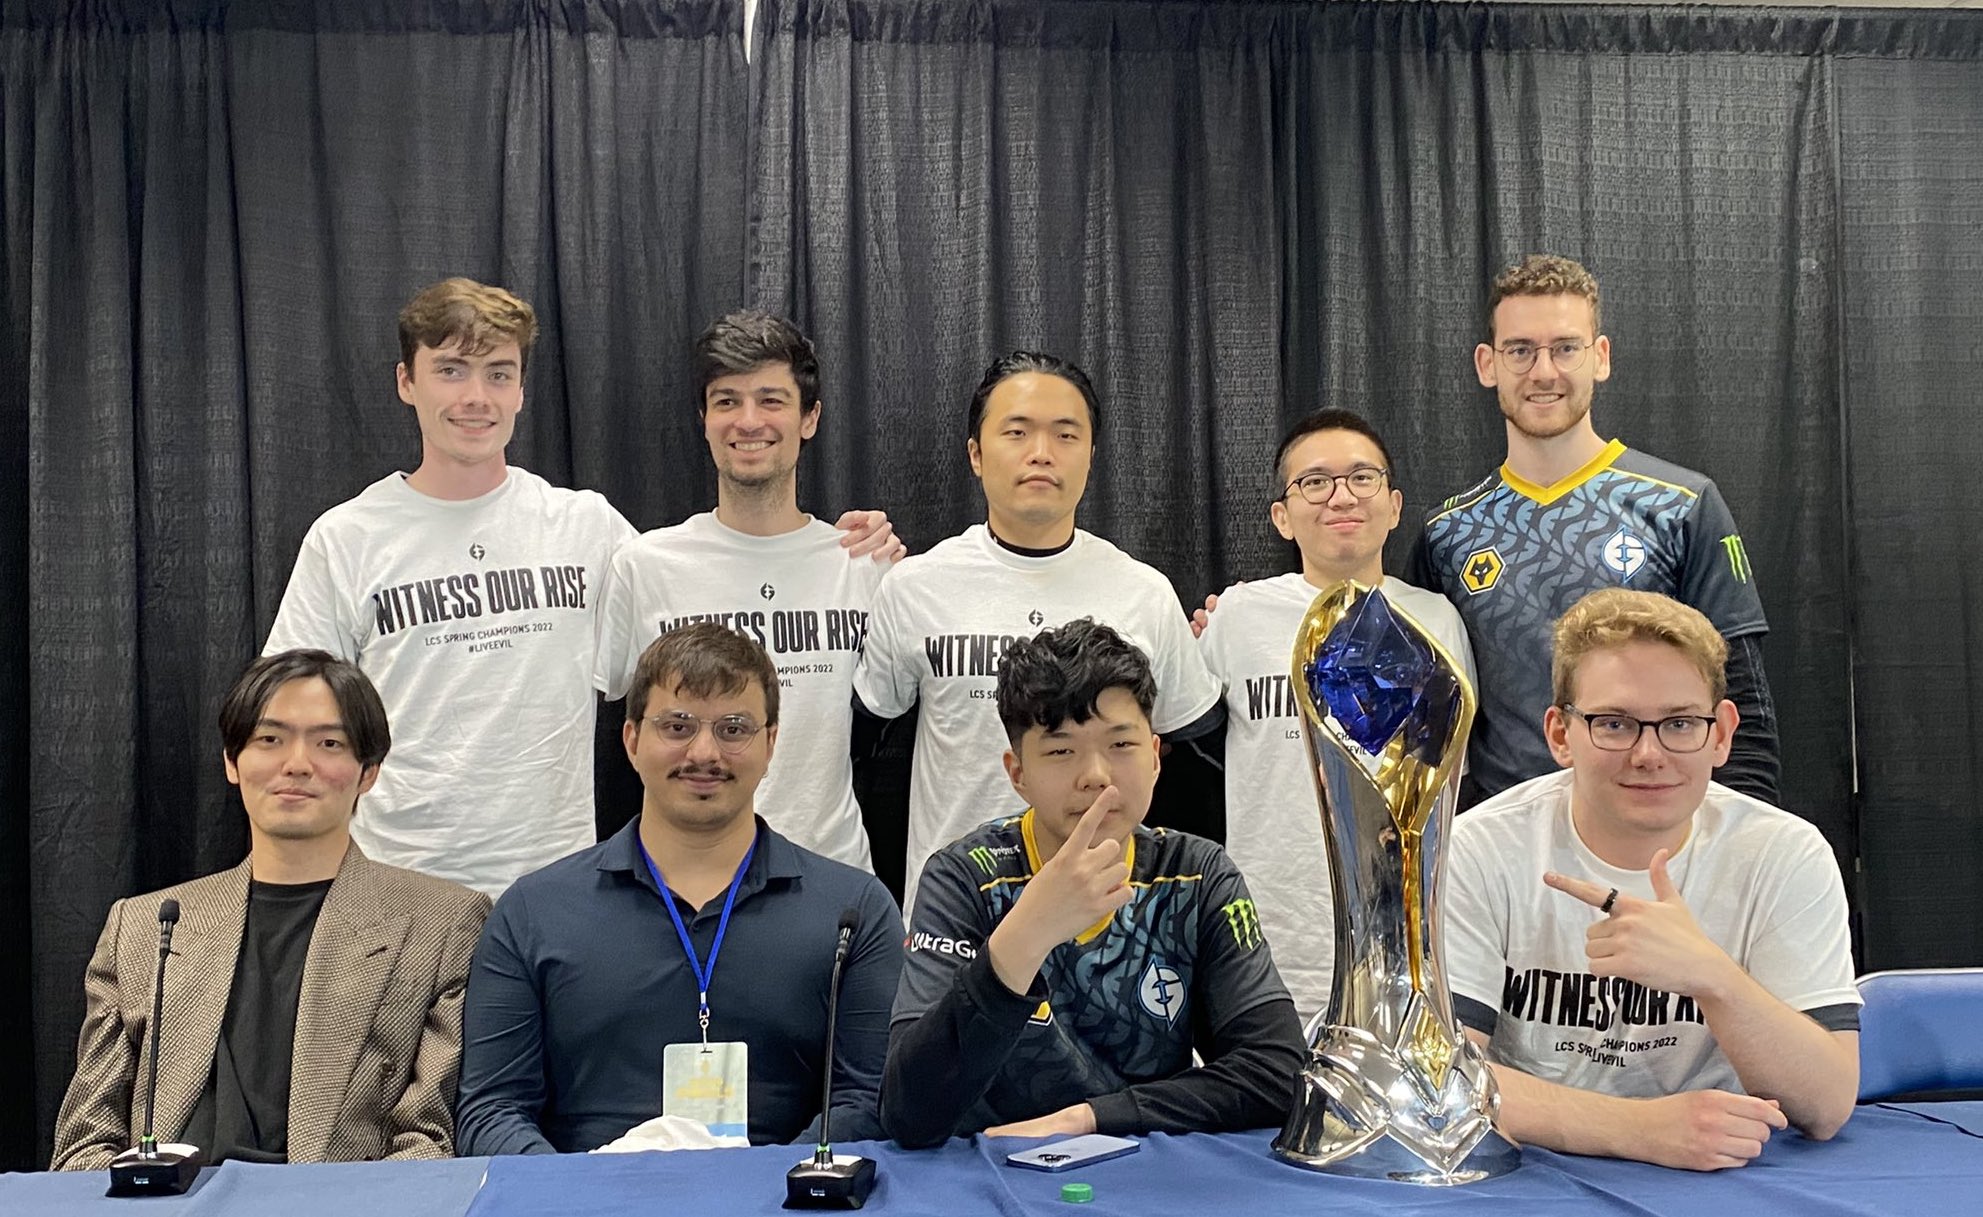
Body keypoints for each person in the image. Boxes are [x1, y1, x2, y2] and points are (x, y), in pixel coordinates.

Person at [265, 279, 895, 894]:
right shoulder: (346, 537)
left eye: (499, 373)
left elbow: (712, 562)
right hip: (399, 880)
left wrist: (850, 545)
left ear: (520, 389)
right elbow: (285, 711)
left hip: (556, 877)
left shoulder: (587, 528)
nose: (476, 397)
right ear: (407, 381)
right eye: (452, 370)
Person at [1443, 589, 1858, 1171]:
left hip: (1723, 1173)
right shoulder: (1477, 850)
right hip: (1534, 1172)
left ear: (1721, 734)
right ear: (1561, 734)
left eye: (1680, 723)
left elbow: (1827, 1104)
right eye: (1614, 724)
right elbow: (1439, 1081)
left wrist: (1711, 977)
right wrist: (1638, 1128)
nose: (1648, 754)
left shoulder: (1783, 853)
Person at [456, 622, 903, 1153]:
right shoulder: (531, 912)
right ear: (631, 740)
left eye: (734, 728)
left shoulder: (854, 911)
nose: (704, 753)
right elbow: (491, 1110)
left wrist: (761, 1194)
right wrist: (580, 1197)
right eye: (677, 726)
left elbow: (868, 1098)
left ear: (771, 743)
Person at [51, 651, 490, 1169]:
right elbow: (83, 1143)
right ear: (232, 763)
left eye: (330, 743)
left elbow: (429, 1140)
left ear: (368, 772)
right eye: (269, 739)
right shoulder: (144, 927)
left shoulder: (444, 922)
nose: (297, 764)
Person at [882, 620, 1305, 1147]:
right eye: (1061, 751)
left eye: (1121, 744)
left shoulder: (1197, 875)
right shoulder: (967, 877)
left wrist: (1094, 1117)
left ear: (1155, 756)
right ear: (1017, 774)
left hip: (1147, 1166)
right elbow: (908, 1112)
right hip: (990, 1167)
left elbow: (1279, 1074)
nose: (1096, 775)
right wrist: (1026, 936)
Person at [854, 352, 1223, 910]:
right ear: (976, 454)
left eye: (1066, 435)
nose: (1041, 454)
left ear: (1091, 454)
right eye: (1017, 432)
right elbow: (862, 744)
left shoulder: (1144, 593)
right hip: (960, 912)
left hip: (1110, 919)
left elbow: (1198, 761)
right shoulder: (914, 586)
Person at [1409, 254, 1777, 805]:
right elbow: (1424, 724)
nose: (1543, 371)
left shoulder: (1681, 505)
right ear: (1487, 364)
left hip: (1653, 831)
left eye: (1565, 348)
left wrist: (1729, 857)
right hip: (1506, 852)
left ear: (1599, 357)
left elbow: (1740, 706)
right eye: (1520, 350)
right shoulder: (1447, 534)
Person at [597, 311, 901, 872]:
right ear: (704, 418)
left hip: (827, 873)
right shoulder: (644, 566)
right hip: (679, 880)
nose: (748, 420)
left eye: (772, 399)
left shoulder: (863, 564)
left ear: (810, 418)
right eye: (727, 401)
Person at [1197, 409, 1474, 1022]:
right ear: (1282, 516)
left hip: (1405, 940)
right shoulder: (1237, 617)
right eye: (1314, 482)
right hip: (1269, 937)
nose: (1340, 496)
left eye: (1361, 478)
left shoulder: (1438, 621)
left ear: (1395, 505)